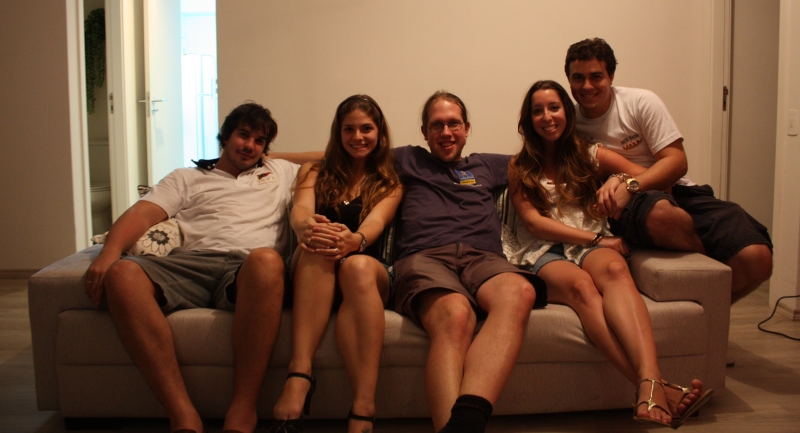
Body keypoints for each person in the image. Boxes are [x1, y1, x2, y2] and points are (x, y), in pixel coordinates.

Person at [506, 80, 712, 428]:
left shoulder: (591, 154)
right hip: (542, 248)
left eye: (554, 107)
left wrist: (620, 182)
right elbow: (534, 223)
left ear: (567, 112)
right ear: (529, 120)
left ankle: (649, 382)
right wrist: (595, 239)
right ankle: (657, 388)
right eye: (537, 111)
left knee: (617, 271)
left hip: (592, 240)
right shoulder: (519, 166)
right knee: (582, 289)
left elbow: (651, 178)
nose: (547, 117)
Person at [83, 102, 299, 433]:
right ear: (224, 136)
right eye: (243, 135)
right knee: (122, 274)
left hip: (247, 267)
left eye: (259, 141)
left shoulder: (280, 171)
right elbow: (141, 213)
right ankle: (182, 414)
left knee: (268, 261)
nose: (250, 146)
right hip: (191, 263)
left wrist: (271, 155)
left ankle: (242, 412)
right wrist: (108, 253)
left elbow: (334, 155)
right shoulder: (187, 177)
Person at [564, 38, 773, 303]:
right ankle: (711, 268)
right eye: (578, 78)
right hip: (629, 205)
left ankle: (709, 308)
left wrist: (631, 184)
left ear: (611, 76)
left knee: (757, 258)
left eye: (596, 76)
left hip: (678, 190)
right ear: (569, 80)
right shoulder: (569, 124)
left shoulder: (640, 102)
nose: (587, 86)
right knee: (660, 213)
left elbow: (676, 162)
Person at [391, 91, 548, 433]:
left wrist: (624, 175)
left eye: (454, 124)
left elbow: (548, 156)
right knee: (456, 315)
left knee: (521, 291)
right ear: (424, 132)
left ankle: (466, 421)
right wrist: (277, 159)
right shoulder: (407, 159)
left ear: (466, 129)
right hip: (425, 257)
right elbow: (339, 156)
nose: (446, 132)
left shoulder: (486, 165)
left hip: (483, 258)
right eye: (437, 125)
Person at [271, 95, 402, 433]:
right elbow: (301, 209)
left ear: (379, 132)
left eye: (366, 129)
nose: (357, 137)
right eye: (349, 129)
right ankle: (299, 375)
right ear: (338, 132)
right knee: (320, 241)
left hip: (365, 272)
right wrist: (306, 226)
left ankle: (364, 404)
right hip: (315, 268)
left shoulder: (390, 180)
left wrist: (355, 240)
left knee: (356, 266)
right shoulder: (314, 170)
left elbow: (376, 222)